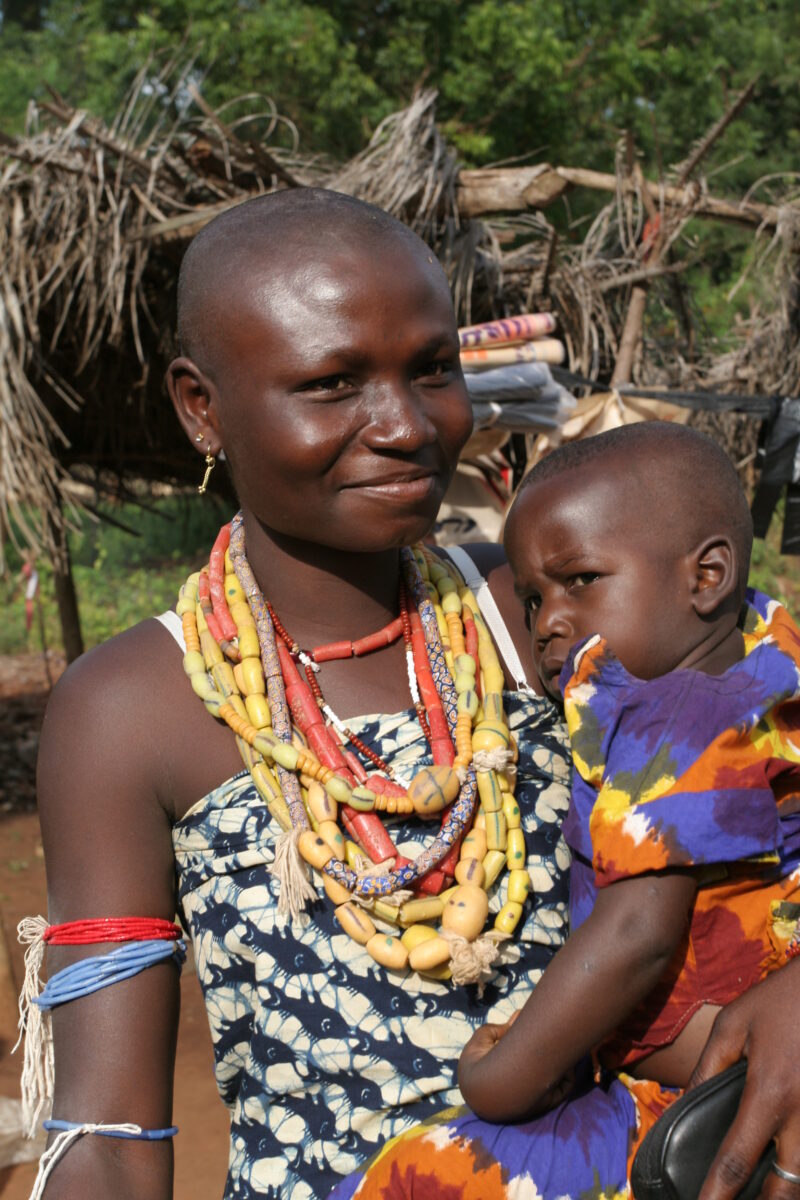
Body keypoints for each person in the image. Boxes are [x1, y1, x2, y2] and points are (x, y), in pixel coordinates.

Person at [21, 192, 800, 1200]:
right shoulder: (128, 711)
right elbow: (112, 1138)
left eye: (431, 370)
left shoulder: (558, 607)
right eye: (332, 382)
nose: (404, 425)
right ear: (199, 407)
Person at [330, 423, 800, 1199]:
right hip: (723, 1079)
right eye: (532, 597)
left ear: (707, 575)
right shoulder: (763, 660)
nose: (548, 620)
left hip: (700, 1102)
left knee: (422, 1173)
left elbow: (638, 935)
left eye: (581, 580)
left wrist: (507, 1077)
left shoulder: (672, 714)